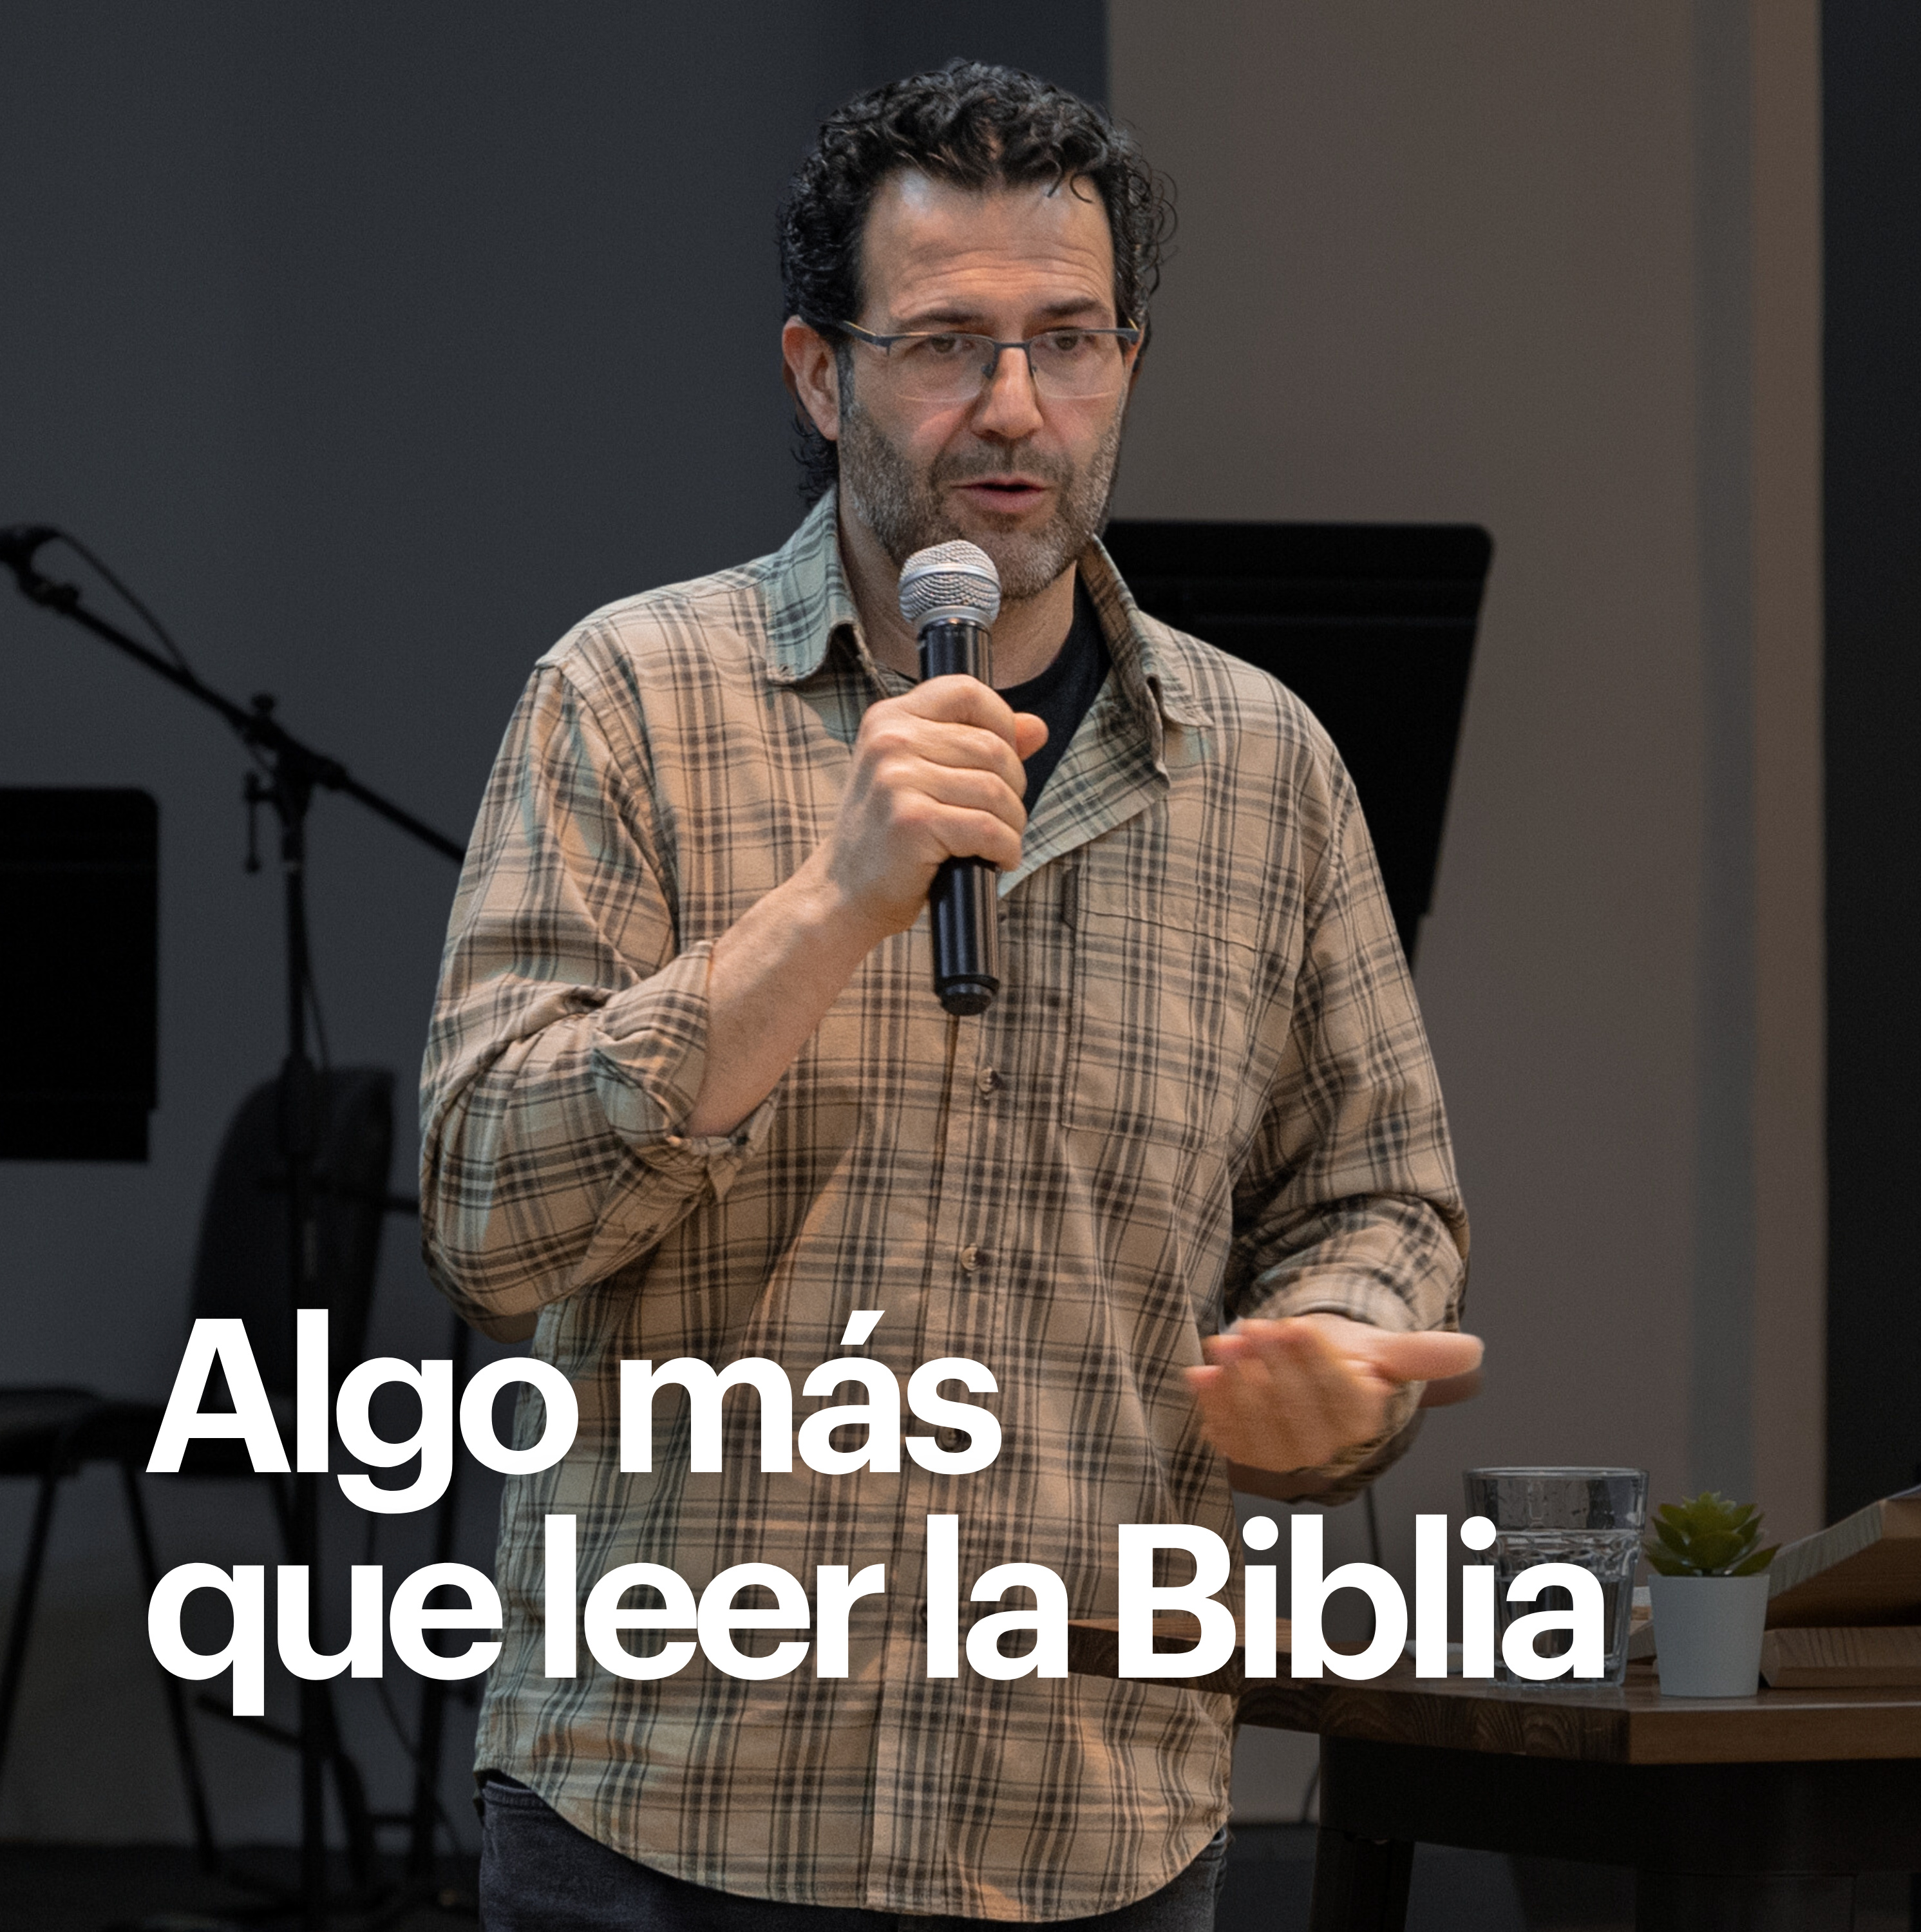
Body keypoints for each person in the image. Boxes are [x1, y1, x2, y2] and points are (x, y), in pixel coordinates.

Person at [421, 61, 1477, 1931]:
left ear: (1127, 364)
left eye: (1067, 341)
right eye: (941, 346)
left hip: (1091, 1830)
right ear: (821, 375)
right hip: (670, 1824)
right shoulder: (629, 699)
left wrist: (1336, 1352)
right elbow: (486, 1213)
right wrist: (831, 904)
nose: (1012, 404)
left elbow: (1376, 1198)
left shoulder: (1264, 769)